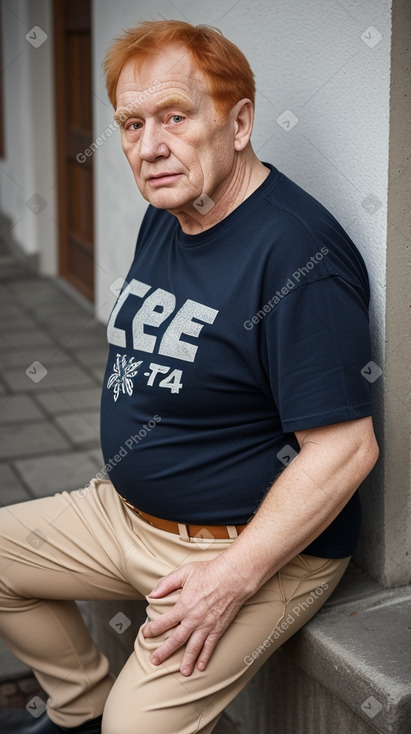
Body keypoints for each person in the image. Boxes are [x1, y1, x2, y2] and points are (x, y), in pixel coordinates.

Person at [0, 19, 379, 734]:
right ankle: (74, 711)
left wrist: (228, 579)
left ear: (238, 123)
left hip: (247, 550)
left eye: (174, 117)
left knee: (135, 729)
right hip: (126, 516)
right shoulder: (171, 211)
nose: (148, 148)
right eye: (131, 124)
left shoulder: (297, 258)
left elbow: (344, 451)